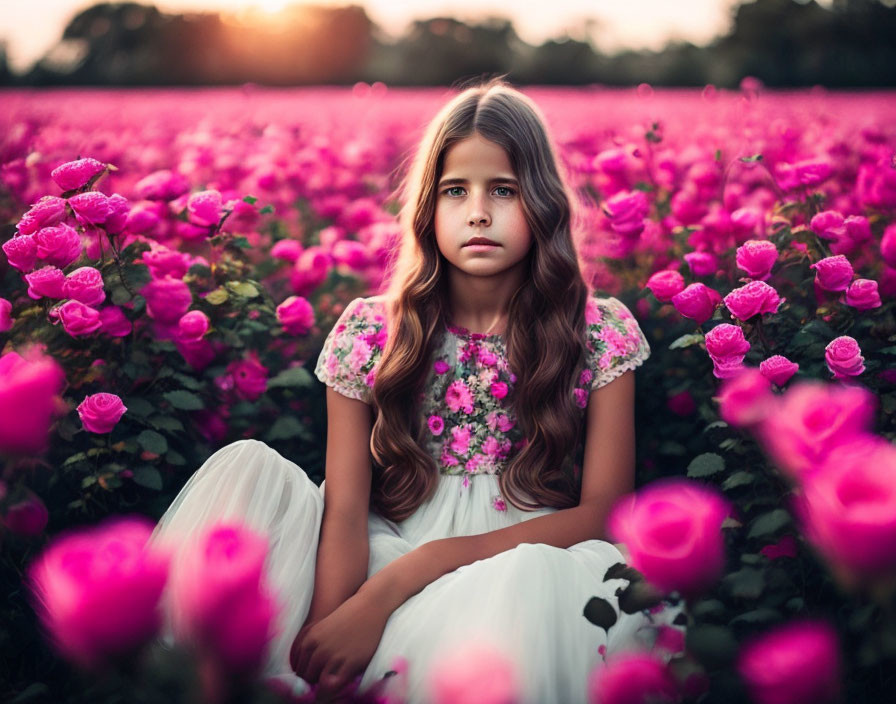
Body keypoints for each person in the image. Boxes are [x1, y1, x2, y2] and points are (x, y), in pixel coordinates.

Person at [151, 79, 678, 703]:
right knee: (246, 468)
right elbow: (345, 510)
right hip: (380, 549)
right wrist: (329, 628)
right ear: (428, 208)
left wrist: (409, 576)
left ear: (542, 203)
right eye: (456, 190)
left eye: (503, 190)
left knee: (524, 587)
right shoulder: (373, 330)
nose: (478, 212)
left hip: (533, 562)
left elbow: (604, 515)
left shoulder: (596, 328)